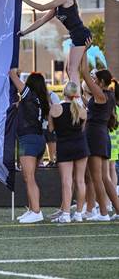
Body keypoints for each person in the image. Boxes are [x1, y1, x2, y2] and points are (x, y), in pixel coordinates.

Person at [18, 0, 91, 89]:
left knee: (72, 70)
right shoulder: (57, 7)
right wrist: (24, 32)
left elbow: (42, 7)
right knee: (69, 69)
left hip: (81, 34)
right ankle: (75, 94)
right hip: (75, 36)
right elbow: (41, 21)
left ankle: (77, 97)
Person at [80, 40, 119, 221]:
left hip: (95, 136)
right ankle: (116, 210)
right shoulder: (108, 95)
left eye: (96, 80)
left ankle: (103, 213)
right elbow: (92, 107)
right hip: (101, 135)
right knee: (105, 177)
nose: (93, 81)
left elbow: (84, 73)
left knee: (96, 177)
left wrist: (84, 51)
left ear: (101, 82)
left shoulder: (101, 94)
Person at [9, 69, 50, 223]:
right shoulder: (40, 100)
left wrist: (13, 70)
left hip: (28, 140)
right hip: (38, 139)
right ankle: (32, 209)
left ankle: (37, 211)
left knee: (29, 177)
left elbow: (13, 76)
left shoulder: (29, 96)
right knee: (29, 177)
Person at [49, 82, 88, 223]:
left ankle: (66, 214)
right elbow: (82, 129)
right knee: (80, 180)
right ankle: (78, 214)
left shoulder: (55, 108)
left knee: (67, 181)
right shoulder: (81, 110)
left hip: (64, 146)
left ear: (64, 92)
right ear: (76, 94)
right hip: (80, 146)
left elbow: (50, 129)